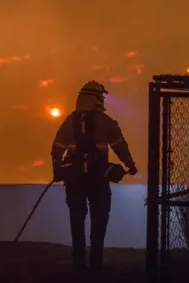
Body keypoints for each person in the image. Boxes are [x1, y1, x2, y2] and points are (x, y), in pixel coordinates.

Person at [50, 80, 138, 270]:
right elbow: (120, 146)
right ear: (96, 98)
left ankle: (79, 260)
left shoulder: (69, 122)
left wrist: (57, 171)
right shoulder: (105, 122)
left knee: (76, 218)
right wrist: (130, 166)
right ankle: (96, 260)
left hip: (74, 180)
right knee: (99, 218)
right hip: (98, 179)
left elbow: (56, 149)